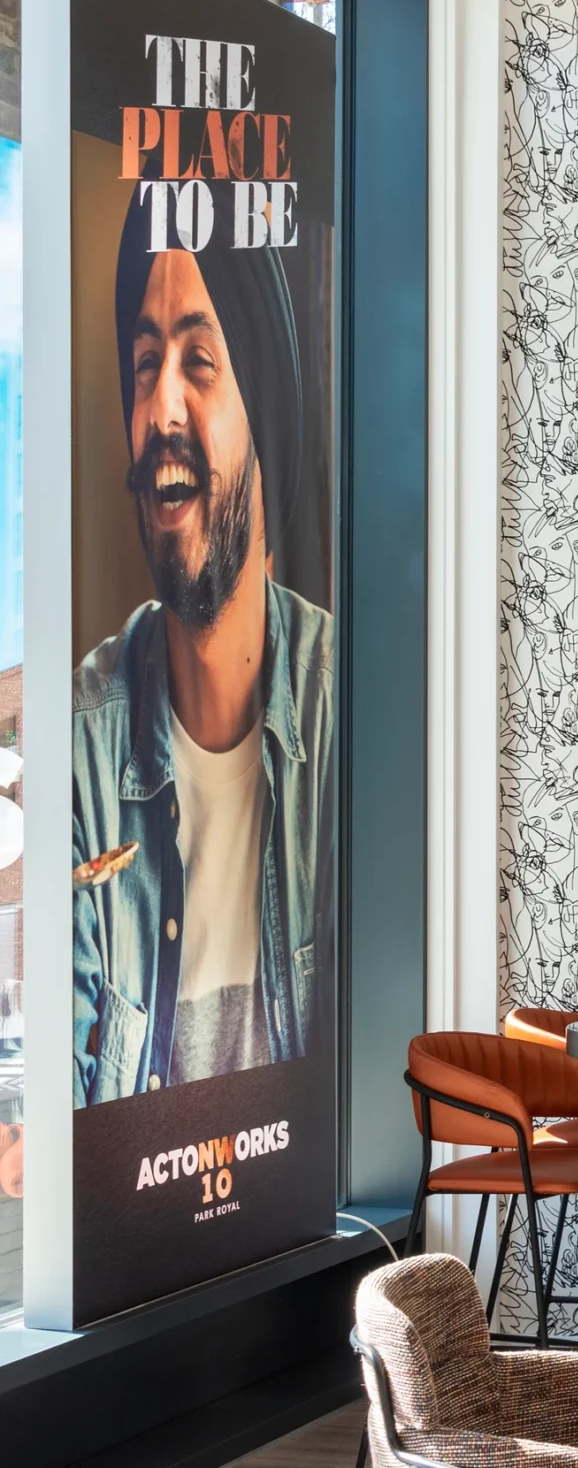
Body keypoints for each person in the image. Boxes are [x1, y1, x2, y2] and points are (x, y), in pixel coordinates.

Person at [71, 188, 332, 1104]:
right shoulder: (83, 749)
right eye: (145, 363)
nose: (161, 405)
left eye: (200, 360)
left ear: (266, 417)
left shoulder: (346, 717)